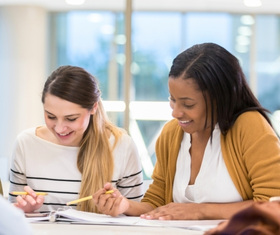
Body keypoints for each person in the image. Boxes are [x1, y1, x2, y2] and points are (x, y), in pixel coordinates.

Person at [92, 42, 280, 220]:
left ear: (219, 99)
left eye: (188, 104)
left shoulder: (248, 125)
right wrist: (125, 205)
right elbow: (157, 203)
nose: (175, 112)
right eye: (172, 100)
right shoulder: (172, 134)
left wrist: (201, 211)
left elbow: (274, 204)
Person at [9, 65, 143, 213]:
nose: (59, 128)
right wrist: (24, 210)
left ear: (93, 108)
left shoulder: (122, 146)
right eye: (51, 116)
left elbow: (137, 214)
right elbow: (11, 216)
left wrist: (121, 206)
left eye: (71, 119)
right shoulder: (26, 144)